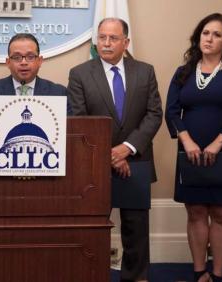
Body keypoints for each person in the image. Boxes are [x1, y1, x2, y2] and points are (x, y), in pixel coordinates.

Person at [67, 18, 162, 281]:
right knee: (93, 228)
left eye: (113, 38)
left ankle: (136, 277)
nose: (106, 43)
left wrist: (127, 148)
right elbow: (79, 119)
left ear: (126, 42)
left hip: (137, 160)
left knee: (136, 228)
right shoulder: (80, 74)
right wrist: (111, 155)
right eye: (102, 37)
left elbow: (154, 114)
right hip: (95, 163)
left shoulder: (145, 71)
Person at [165, 13, 222, 282]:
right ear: (198, 36)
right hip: (189, 152)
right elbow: (171, 111)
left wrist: (217, 144)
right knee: (195, 211)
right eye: (205, 32)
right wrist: (187, 140)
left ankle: (217, 275)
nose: (209, 38)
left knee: (221, 212)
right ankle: (198, 272)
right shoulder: (183, 72)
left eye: (217, 34)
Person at [0, 33, 69, 116]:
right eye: (17, 57)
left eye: (30, 57)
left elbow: (70, 130)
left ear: (40, 61)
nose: (23, 62)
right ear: (8, 62)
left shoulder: (58, 93)